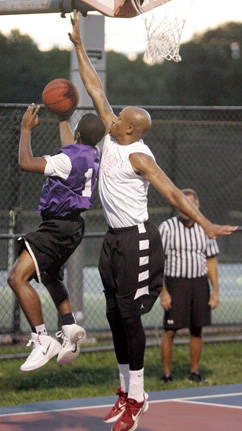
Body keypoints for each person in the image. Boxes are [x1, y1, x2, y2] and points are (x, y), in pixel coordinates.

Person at [68, 10, 237, 431]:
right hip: (112, 239)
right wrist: (76, 45)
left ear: (129, 128)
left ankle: (140, 396)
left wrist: (205, 224)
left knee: (129, 317)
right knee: (112, 315)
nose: (113, 112)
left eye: (121, 114)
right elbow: (95, 88)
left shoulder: (139, 156)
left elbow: (175, 193)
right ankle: (124, 390)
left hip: (139, 241)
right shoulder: (112, 130)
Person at [8, 104, 105, 372]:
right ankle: (69, 323)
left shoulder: (68, 159)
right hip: (73, 227)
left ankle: (42, 339)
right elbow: (71, 149)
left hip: (56, 228)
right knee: (50, 275)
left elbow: (26, 163)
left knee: (17, 278)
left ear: (77, 134)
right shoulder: (92, 154)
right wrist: (63, 119)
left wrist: (25, 130)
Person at [159, 188, 220, 384]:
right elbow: (159, 262)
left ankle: (195, 372)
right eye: (181, 204)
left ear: (197, 206)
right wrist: (164, 292)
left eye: (190, 204)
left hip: (199, 283)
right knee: (170, 330)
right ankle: (166, 374)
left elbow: (211, 260)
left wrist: (215, 291)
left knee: (197, 328)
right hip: (175, 284)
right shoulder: (167, 227)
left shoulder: (205, 227)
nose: (185, 209)